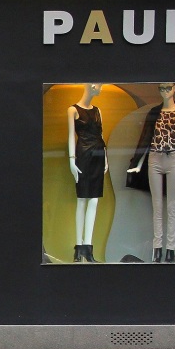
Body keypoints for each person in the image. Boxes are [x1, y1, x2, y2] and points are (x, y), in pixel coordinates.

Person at [127, 82, 175, 263]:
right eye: (162, 88)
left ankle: (170, 249)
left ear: (174, 89)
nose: (165, 92)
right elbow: (146, 137)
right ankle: (157, 248)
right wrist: (137, 162)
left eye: (168, 88)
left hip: (174, 157)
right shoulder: (155, 113)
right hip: (155, 158)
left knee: (171, 206)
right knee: (157, 206)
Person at [67, 83, 107, 263]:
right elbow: (71, 136)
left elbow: (101, 135)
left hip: (98, 155)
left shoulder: (98, 111)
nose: (101, 88)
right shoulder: (72, 110)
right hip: (82, 155)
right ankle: (78, 248)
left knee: (94, 201)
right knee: (82, 199)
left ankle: (88, 249)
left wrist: (106, 158)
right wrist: (71, 160)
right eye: (99, 85)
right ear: (92, 86)